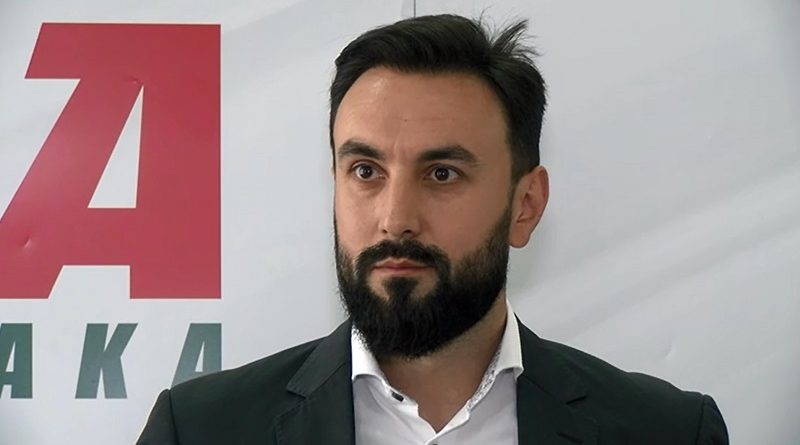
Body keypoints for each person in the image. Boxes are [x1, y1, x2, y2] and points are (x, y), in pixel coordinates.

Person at [137, 14, 728, 444]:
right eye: (366, 171)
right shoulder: (201, 431)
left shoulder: (667, 432)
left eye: (442, 173)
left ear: (525, 206)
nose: (396, 218)